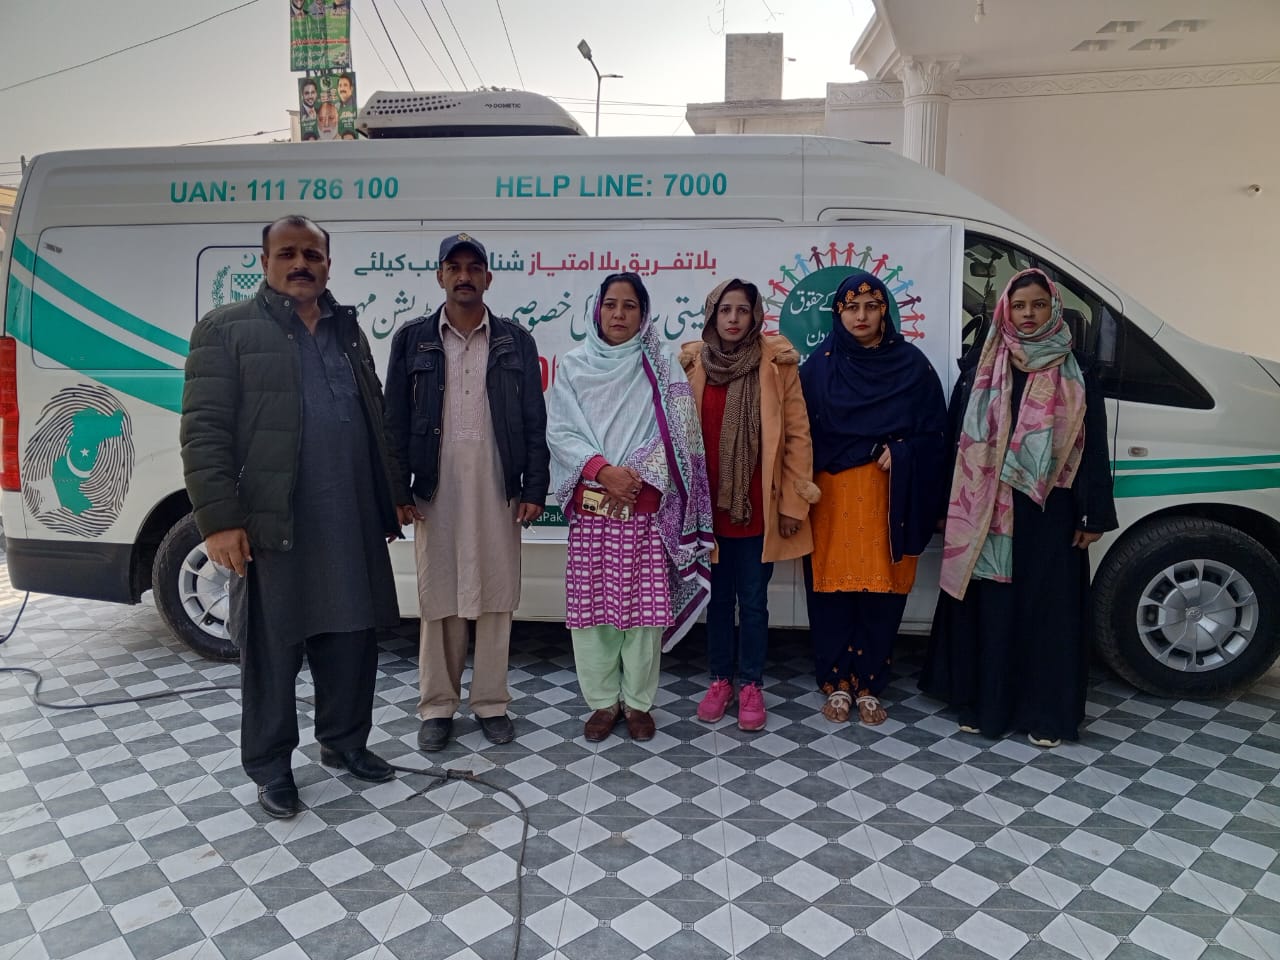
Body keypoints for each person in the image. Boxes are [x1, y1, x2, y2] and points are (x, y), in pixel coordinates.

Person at [180, 215, 413, 819]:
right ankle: (271, 767)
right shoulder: (226, 330)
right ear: (265, 262)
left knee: (352, 636)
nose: (301, 263)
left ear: (328, 263)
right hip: (272, 522)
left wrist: (391, 494)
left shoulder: (347, 329)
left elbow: (374, 415)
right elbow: (204, 434)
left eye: (313, 253)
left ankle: (344, 742)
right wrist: (219, 522)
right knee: (272, 650)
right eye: (287, 253)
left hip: (349, 515)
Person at [920, 268, 1117, 747]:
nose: (1029, 314)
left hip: (1050, 511)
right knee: (992, 607)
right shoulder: (983, 364)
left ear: (1054, 308)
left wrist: (1092, 514)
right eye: (1020, 305)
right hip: (986, 510)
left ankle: (1044, 713)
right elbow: (955, 442)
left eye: (1039, 305)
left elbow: (1092, 445)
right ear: (1005, 310)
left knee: (1046, 612)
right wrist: (945, 507)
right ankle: (984, 705)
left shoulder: (1077, 369)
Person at [384, 233, 549, 752]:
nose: (464, 276)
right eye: (453, 267)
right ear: (439, 276)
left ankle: (491, 703)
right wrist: (396, 489)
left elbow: (534, 420)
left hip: (498, 486)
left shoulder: (515, 341)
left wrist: (534, 486)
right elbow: (393, 422)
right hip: (434, 488)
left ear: (488, 278)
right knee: (440, 595)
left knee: (497, 595)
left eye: (474, 267)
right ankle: (437, 706)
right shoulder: (412, 340)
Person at [547, 273, 713, 742]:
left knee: (643, 617)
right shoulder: (574, 365)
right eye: (610, 304)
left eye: (629, 306)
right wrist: (603, 471)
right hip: (593, 511)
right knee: (593, 615)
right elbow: (560, 430)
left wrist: (633, 476)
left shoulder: (662, 365)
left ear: (643, 314)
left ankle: (638, 703)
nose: (618, 314)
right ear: (596, 310)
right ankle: (603, 703)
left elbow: (680, 433)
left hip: (644, 513)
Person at [799, 271, 947, 726]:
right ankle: (836, 682)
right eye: (851, 307)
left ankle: (869, 683)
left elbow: (937, 436)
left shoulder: (912, 367)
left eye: (871, 306)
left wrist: (903, 451)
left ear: (885, 311)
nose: (860, 316)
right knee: (833, 592)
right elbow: (799, 437)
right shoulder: (819, 368)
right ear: (838, 314)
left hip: (890, 499)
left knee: (881, 593)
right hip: (833, 500)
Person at [679, 279, 818, 732]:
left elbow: (797, 436)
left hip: (759, 508)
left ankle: (753, 683)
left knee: (754, 602)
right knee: (718, 600)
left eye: (742, 310)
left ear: (756, 315)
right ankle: (720, 680)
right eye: (725, 310)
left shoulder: (777, 366)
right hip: (709, 511)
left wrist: (794, 504)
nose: (734, 319)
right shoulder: (693, 364)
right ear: (712, 316)